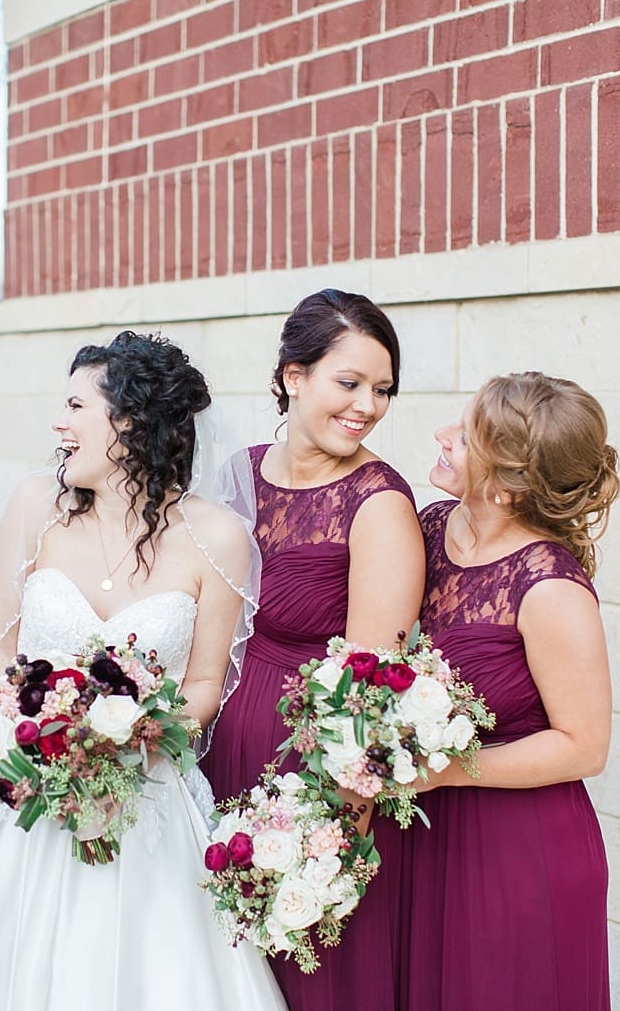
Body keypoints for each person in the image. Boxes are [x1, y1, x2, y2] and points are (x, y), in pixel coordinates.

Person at [0, 331, 286, 1011]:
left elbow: (204, 686)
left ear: (127, 420)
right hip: (25, 803)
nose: (57, 425)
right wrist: (46, 734)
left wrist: (127, 740)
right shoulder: (35, 503)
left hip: (146, 803)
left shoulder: (216, 536)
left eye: (74, 406)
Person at [204, 289, 424, 1009]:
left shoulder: (377, 503)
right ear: (293, 375)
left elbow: (368, 701)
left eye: (382, 388)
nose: (368, 405)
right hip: (209, 763)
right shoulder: (234, 473)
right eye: (349, 382)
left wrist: (324, 852)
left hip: (306, 783)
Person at [403, 371, 619, 1010]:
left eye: (465, 438)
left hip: (522, 851)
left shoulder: (550, 588)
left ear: (502, 485)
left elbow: (585, 746)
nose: (444, 437)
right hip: (432, 831)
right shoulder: (431, 528)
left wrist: (444, 771)